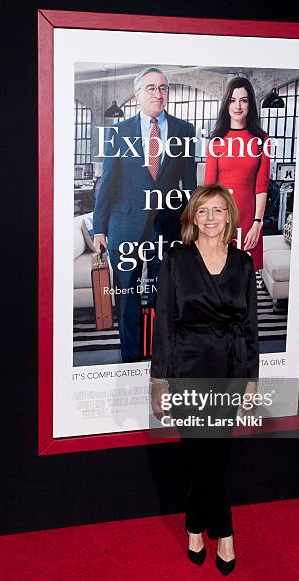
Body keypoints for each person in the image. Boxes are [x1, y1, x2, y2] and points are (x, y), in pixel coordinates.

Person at [150, 184, 259, 575]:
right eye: (202, 212)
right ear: (192, 219)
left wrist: (251, 379)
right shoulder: (177, 260)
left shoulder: (244, 264)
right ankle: (224, 533)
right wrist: (160, 381)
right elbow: (163, 321)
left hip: (228, 369)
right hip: (187, 367)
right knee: (204, 457)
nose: (210, 219)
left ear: (229, 215)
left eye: (217, 211)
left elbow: (249, 326)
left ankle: (195, 525)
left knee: (212, 458)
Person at [93, 67, 197, 362]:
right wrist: (99, 228)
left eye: (162, 87)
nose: (157, 93)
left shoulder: (184, 130)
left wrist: (192, 225)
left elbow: (189, 185)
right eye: (150, 87)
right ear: (137, 94)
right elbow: (107, 183)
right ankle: (130, 358)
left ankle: (158, 356)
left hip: (167, 227)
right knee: (126, 297)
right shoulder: (119, 132)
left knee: (162, 295)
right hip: (125, 227)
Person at [204, 76, 270, 271]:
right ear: (226, 104)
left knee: (245, 281)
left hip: (250, 219)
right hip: (220, 219)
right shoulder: (216, 140)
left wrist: (257, 224)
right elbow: (209, 187)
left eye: (244, 100)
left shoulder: (261, 139)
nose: (238, 106)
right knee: (218, 280)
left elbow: (262, 185)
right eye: (233, 100)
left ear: (250, 104)